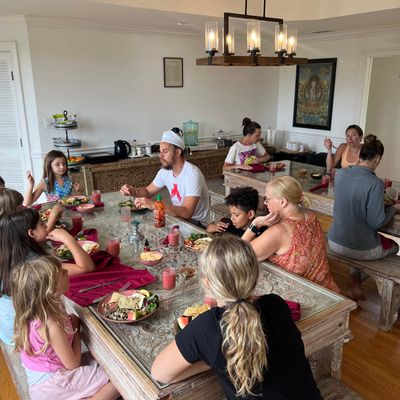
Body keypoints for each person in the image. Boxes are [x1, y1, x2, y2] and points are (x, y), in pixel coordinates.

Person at [151, 236, 322, 400]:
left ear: (207, 283)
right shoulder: (276, 305)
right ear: (255, 276)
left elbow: (160, 373)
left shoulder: (207, 326)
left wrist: (213, 360)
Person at [10, 255, 119, 400]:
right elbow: (72, 364)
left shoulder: (36, 310)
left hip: (42, 381)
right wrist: (76, 330)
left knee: (102, 362)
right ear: (51, 289)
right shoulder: (51, 325)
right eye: (62, 273)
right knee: (119, 379)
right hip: (54, 385)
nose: (67, 272)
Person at [0, 208, 95, 345]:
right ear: (31, 233)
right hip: (24, 338)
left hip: (7, 329)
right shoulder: (34, 263)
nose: (46, 225)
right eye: (42, 223)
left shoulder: (9, 254)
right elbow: (86, 267)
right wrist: (68, 239)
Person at [328, 134, 400, 301]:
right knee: (395, 247)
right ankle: (357, 279)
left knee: (361, 236)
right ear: (377, 159)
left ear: (360, 154)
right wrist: (393, 209)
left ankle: (354, 279)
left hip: (334, 241)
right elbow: (376, 223)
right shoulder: (375, 183)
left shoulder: (340, 174)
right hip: (360, 249)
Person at [242, 176, 339, 293]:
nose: (265, 203)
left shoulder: (279, 231)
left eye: (267, 199)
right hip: (328, 289)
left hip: (300, 296)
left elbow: (237, 256)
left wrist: (254, 224)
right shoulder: (311, 216)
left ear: (283, 202)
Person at [120, 129, 209, 227]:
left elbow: (187, 212)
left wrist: (154, 205)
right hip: (178, 219)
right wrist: (133, 191)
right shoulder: (165, 171)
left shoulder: (192, 174)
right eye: (160, 152)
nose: (160, 156)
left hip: (197, 224)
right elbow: (148, 191)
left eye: (165, 152)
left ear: (178, 152)